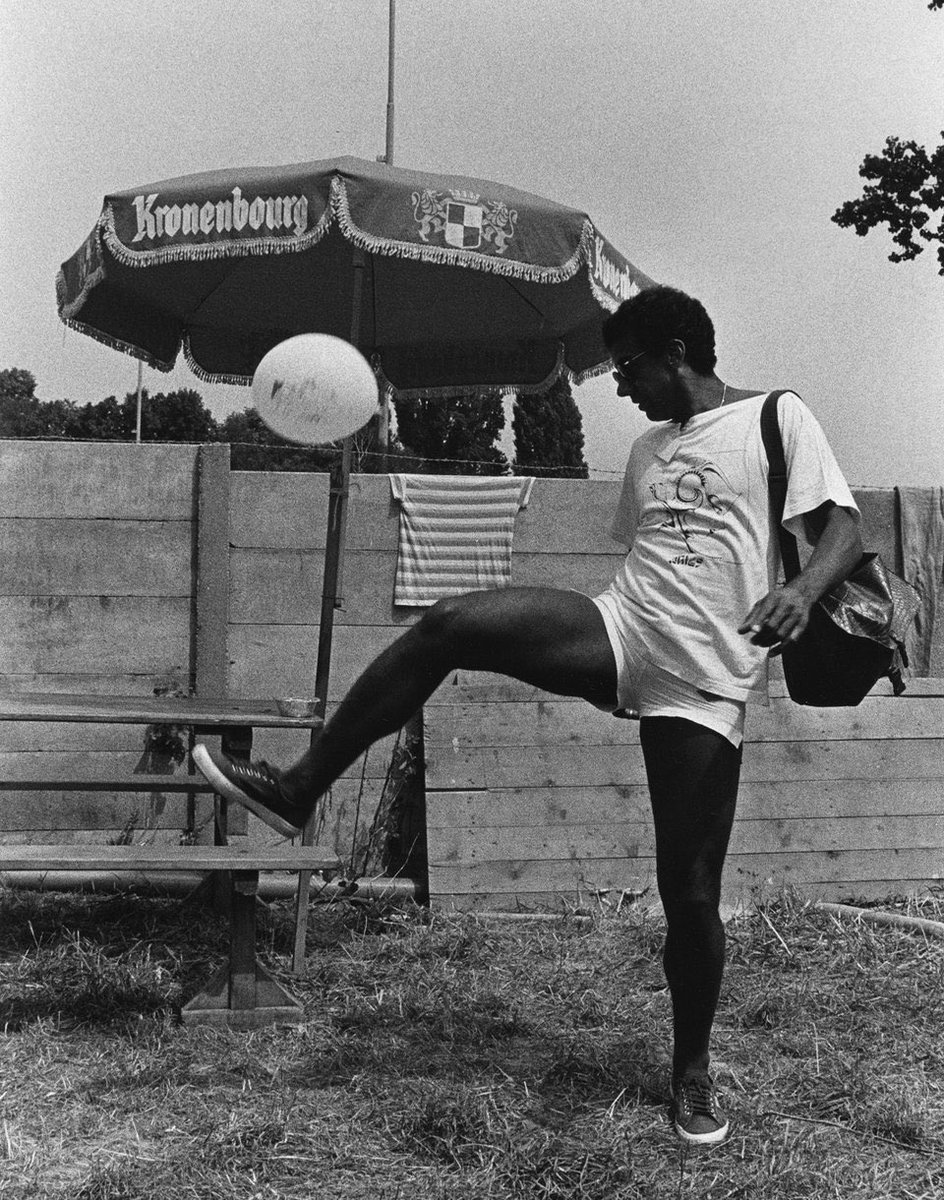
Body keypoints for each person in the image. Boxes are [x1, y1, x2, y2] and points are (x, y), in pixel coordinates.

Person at [193, 286, 862, 1146]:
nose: (622, 389)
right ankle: (298, 788)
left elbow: (843, 529)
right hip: (620, 630)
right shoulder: (651, 448)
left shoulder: (777, 416)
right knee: (448, 625)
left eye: (629, 368)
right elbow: (656, 560)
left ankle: (691, 1072)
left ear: (677, 352)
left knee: (687, 893)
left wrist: (802, 588)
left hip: (704, 680)